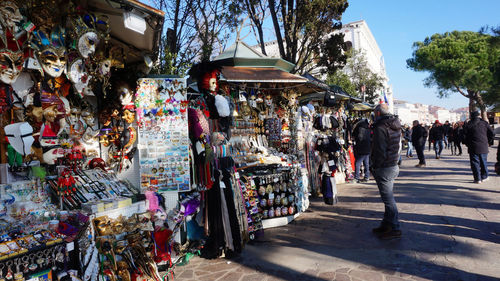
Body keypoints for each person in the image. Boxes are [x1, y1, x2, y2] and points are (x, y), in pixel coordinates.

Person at [370, 104, 402, 240]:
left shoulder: (381, 127)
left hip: (384, 167)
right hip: (393, 164)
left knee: (388, 200)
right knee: (388, 199)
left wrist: (375, 166)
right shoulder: (395, 124)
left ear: (377, 113)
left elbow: (380, 150)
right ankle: (387, 224)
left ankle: (394, 227)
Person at [463, 111, 494, 183]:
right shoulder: (484, 123)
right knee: (483, 162)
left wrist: (468, 144)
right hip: (483, 146)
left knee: (474, 163)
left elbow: (464, 136)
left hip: (472, 146)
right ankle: (484, 176)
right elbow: (492, 133)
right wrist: (488, 141)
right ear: (479, 116)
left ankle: (477, 178)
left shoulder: (469, 124)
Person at [353, 118, 371, 183]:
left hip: (362, 147)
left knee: (357, 163)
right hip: (368, 147)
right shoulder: (368, 127)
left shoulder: (360, 128)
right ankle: (367, 177)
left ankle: (356, 177)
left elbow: (359, 137)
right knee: (366, 163)